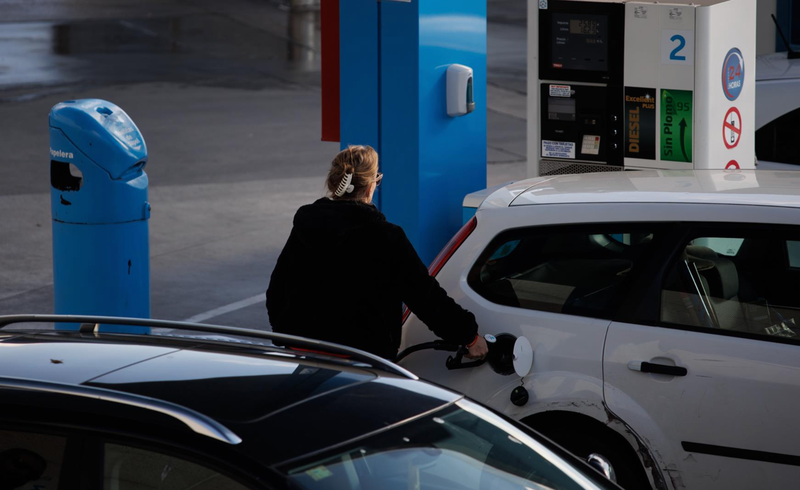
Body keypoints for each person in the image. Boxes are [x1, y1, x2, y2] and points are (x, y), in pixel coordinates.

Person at [267, 145, 488, 361]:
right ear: (371, 186)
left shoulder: (307, 225)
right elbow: (425, 296)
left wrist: (290, 332)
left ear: (334, 183)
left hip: (301, 350)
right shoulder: (386, 236)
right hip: (362, 356)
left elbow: (276, 290)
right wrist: (469, 336)